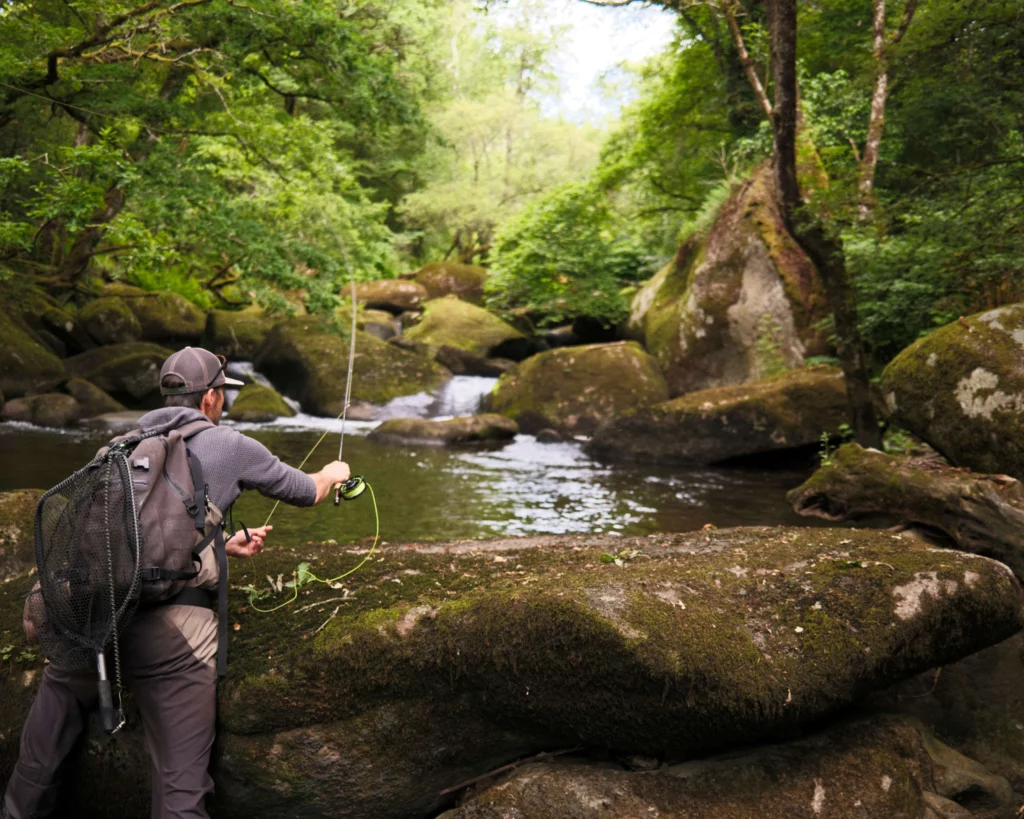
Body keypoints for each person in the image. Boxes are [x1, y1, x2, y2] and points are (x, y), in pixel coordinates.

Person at [3, 346, 351, 819]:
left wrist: (218, 543)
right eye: (223, 393)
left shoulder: (116, 448)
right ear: (209, 398)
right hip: (170, 642)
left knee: (38, 759)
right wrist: (332, 473)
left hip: (94, 620)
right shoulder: (230, 445)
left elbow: (121, 542)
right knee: (181, 790)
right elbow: (306, 491)